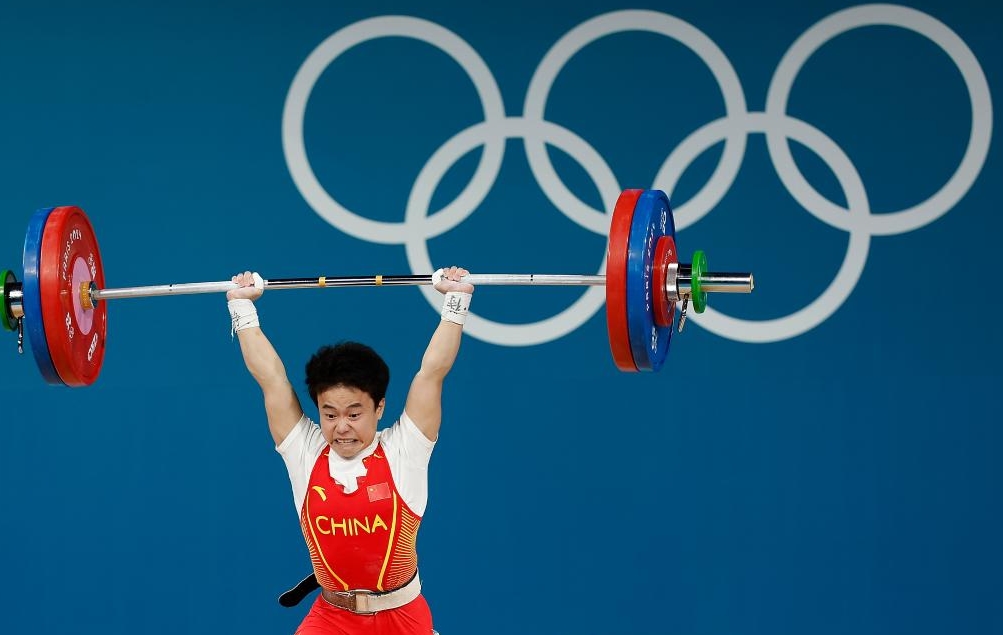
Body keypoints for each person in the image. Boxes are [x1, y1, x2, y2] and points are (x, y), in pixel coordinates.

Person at [226, 266, 474, 635]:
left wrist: (456, 300)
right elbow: (272, 380)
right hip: (332, 618)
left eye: (354, 413)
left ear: (379, 408)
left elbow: (431, 372)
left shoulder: (405, 448)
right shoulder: (305, 452)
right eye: (329, 414)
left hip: (402, 619)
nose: (341, 426)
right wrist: (242, 308)